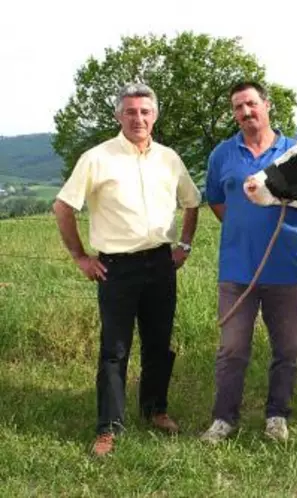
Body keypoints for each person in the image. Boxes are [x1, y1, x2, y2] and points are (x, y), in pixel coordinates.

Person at [52, 82, 201, 457]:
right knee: (115, 350)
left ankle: (155, 411)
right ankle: (108, 428)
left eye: (145, 111)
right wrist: (80, 257)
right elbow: (63, 207)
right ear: (119, 116)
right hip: (116, 268)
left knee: (158, 343)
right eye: (131, 112)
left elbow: (192, 202)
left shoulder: (169, 158)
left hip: (161, 263)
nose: (138, 118)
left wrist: (184, 244)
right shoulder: (96, 158)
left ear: (155, 116)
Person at [200, 80, 297, 444]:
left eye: (250, 104)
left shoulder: (293, 153)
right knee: (232, 349)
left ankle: (277, 416)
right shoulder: (222, 155)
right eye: (237, 108)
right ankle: (223, 420)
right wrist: (242, 228)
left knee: (287, 349)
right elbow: (215, 199)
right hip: (237, 271)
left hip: (286, 271)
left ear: (266, 105)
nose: (245, 113)